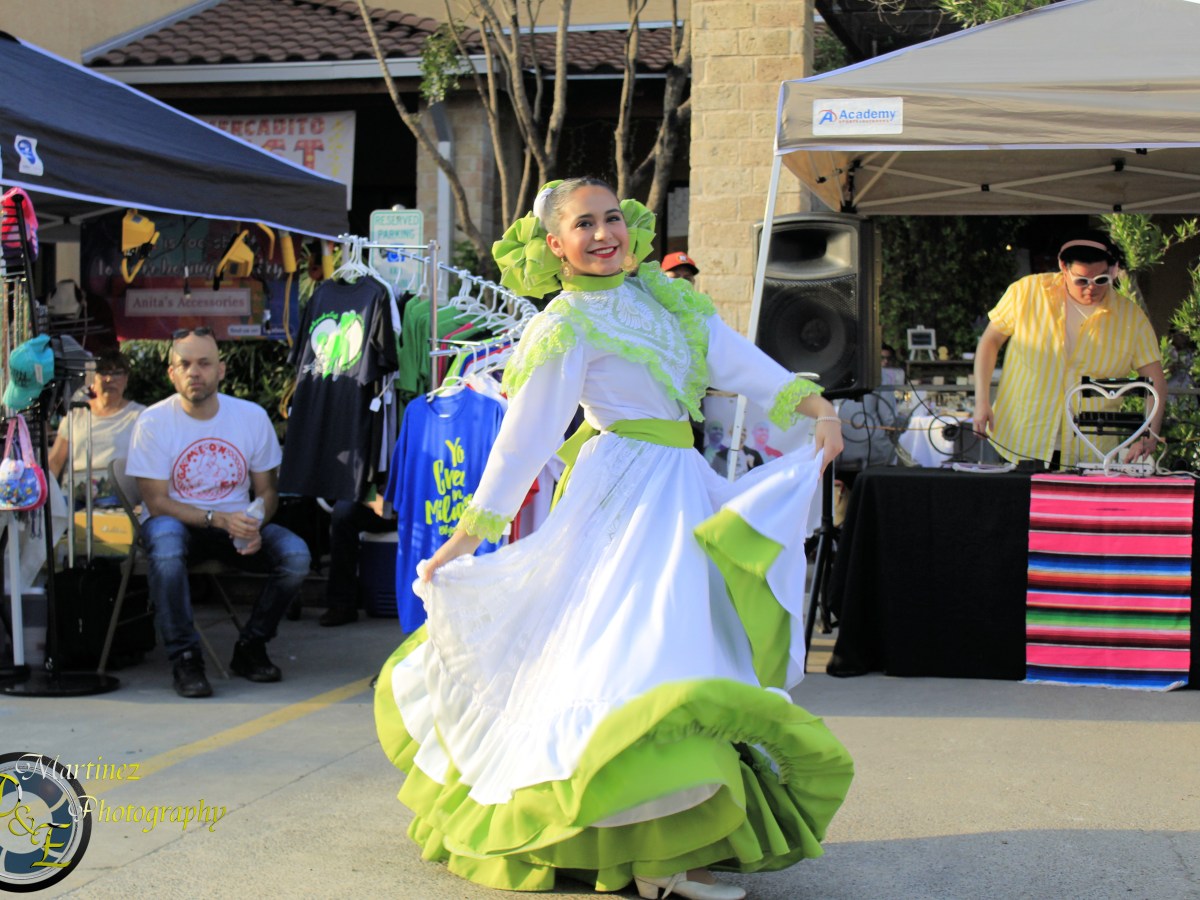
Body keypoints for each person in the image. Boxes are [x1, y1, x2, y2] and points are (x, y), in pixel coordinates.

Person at [375, 177, 853, 900]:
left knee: (683, 647)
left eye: (610, 220)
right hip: (620, 494)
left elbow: (743, 365)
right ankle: (654, 853)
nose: (603, 235)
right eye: (583, 225)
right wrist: (466, 539)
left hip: (681, 485)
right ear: (555, 245)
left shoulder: (669, 299)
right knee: (644, 651)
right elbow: (524, 440)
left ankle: (669, 841)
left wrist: (819, 409)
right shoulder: (564, 323)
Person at [125, 328, 311, 699]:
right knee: (163, 541)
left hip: (236, 529)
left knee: (296, 555)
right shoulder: (153, 422)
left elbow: (268, 491)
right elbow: (156, 501)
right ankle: (185, 657)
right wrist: (216, 519)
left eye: (204, 363)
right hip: (177, 526)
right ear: (172, 374)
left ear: (221, 370)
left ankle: (251, 647)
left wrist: (256, 519)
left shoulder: (250, 417)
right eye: (185, 364)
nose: (195, 372)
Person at [973, 230, 1168, 467]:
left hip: (1089, 450)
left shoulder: (1131, 317)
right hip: (1021, 438)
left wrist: (1149, 433)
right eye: (1082, 280)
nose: (1091, 288)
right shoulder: (1027, 292)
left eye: (1101, 280)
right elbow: (990, 341)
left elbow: (1154, 379)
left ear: (1112, 271)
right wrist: (982, 401)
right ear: (1063, 268)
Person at [48, 349, 144, 507]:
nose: (109, 379)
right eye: (103, 372)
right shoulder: (76, 412)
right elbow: (55, 461)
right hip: (73, 494)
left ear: (126, 379)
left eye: (117, 373)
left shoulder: (139, 415)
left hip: (118, 495)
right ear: (92, 379)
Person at [316, 496, 396, 626]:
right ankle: (341, 604)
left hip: (422, 501)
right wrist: (372, 498)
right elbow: (351, 481)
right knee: (343, 511)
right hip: (375, 501)